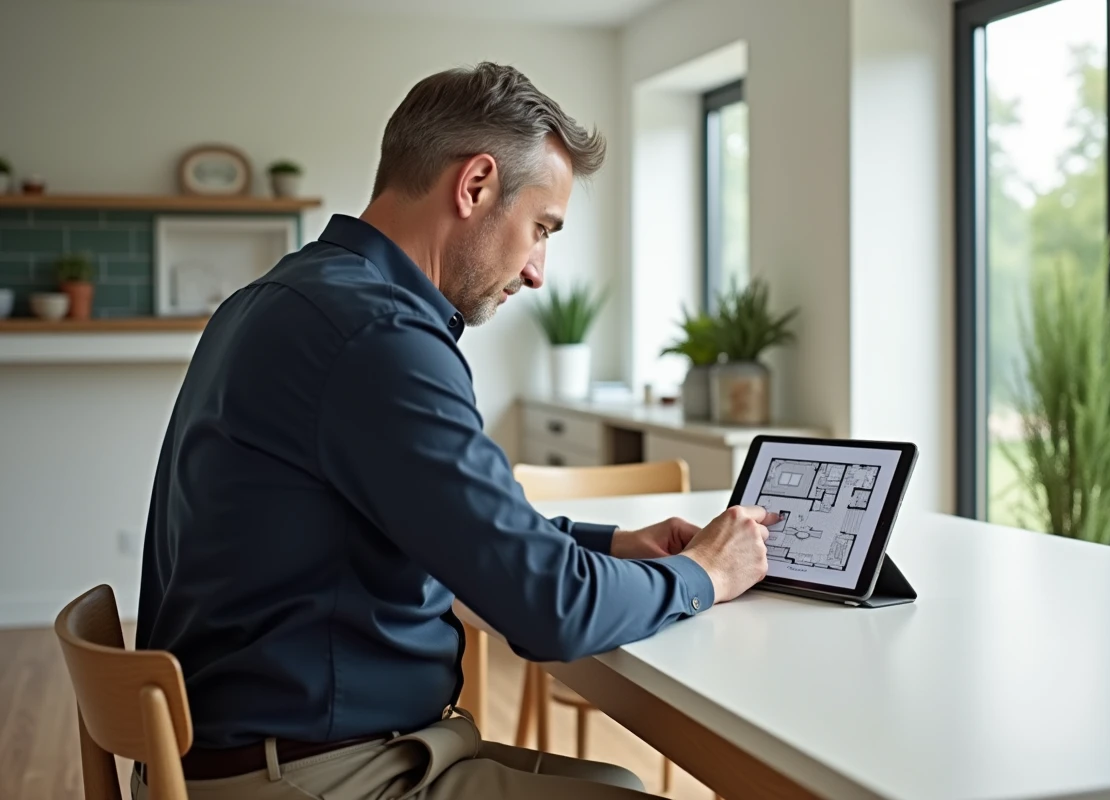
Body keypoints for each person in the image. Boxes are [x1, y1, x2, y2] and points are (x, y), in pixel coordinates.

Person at [132, 62, 773, 800]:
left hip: (257, 752)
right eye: (541, 227)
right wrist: (707, 575)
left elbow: (465, 531)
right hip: (309, 774)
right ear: (474, 186)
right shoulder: (377, 338)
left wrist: (614, 544)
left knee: (616, 779)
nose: (538, 272)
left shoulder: (273, 301)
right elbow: (551, 612)